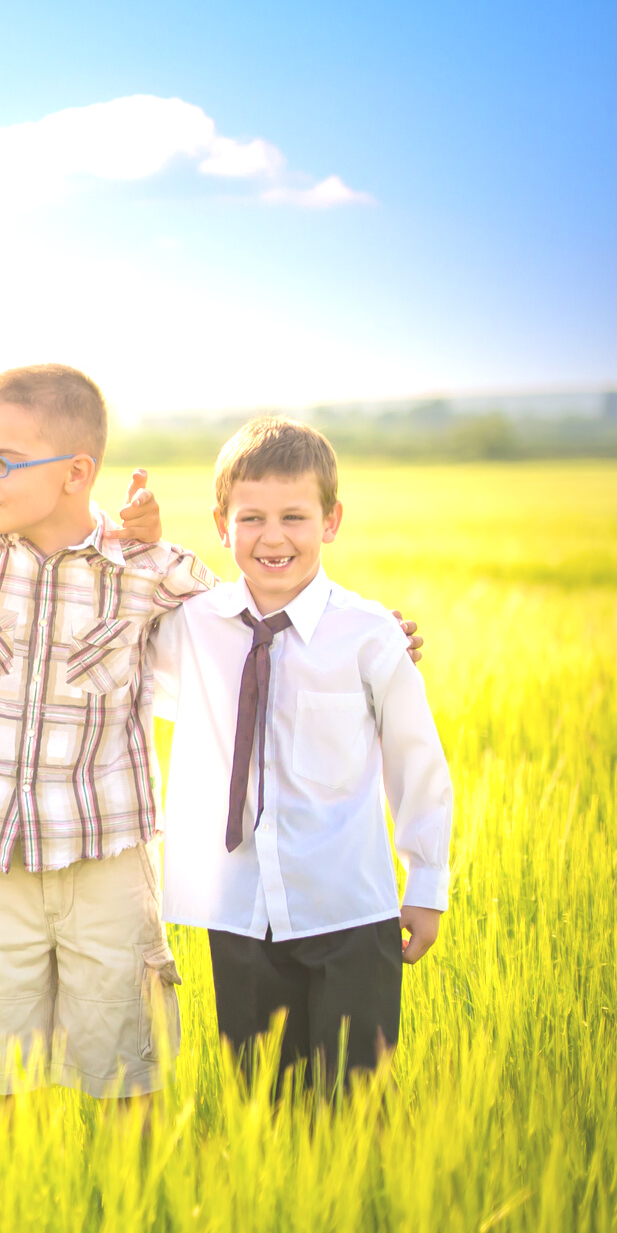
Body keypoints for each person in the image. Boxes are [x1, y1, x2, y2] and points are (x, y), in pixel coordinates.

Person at [0, 364, 211, 1106]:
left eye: (2, 461)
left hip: (105, 860)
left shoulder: (146, 570)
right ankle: (2, 1214)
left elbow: (250, 629)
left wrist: (369, 639)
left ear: (77, 472)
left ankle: (129, 1217)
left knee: (126, 1076)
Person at [152, 417, 450, 1086]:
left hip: (348, 904)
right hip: (234, 909)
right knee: (262, 1104)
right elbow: (112, 648)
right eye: (250, 517)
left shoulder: (369, 634)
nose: (272, 536)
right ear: (221, 523)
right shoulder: (193, 626)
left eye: (294, 515)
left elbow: (416, 763)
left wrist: (425, 882)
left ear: (331, 519)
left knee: (353, 1103)